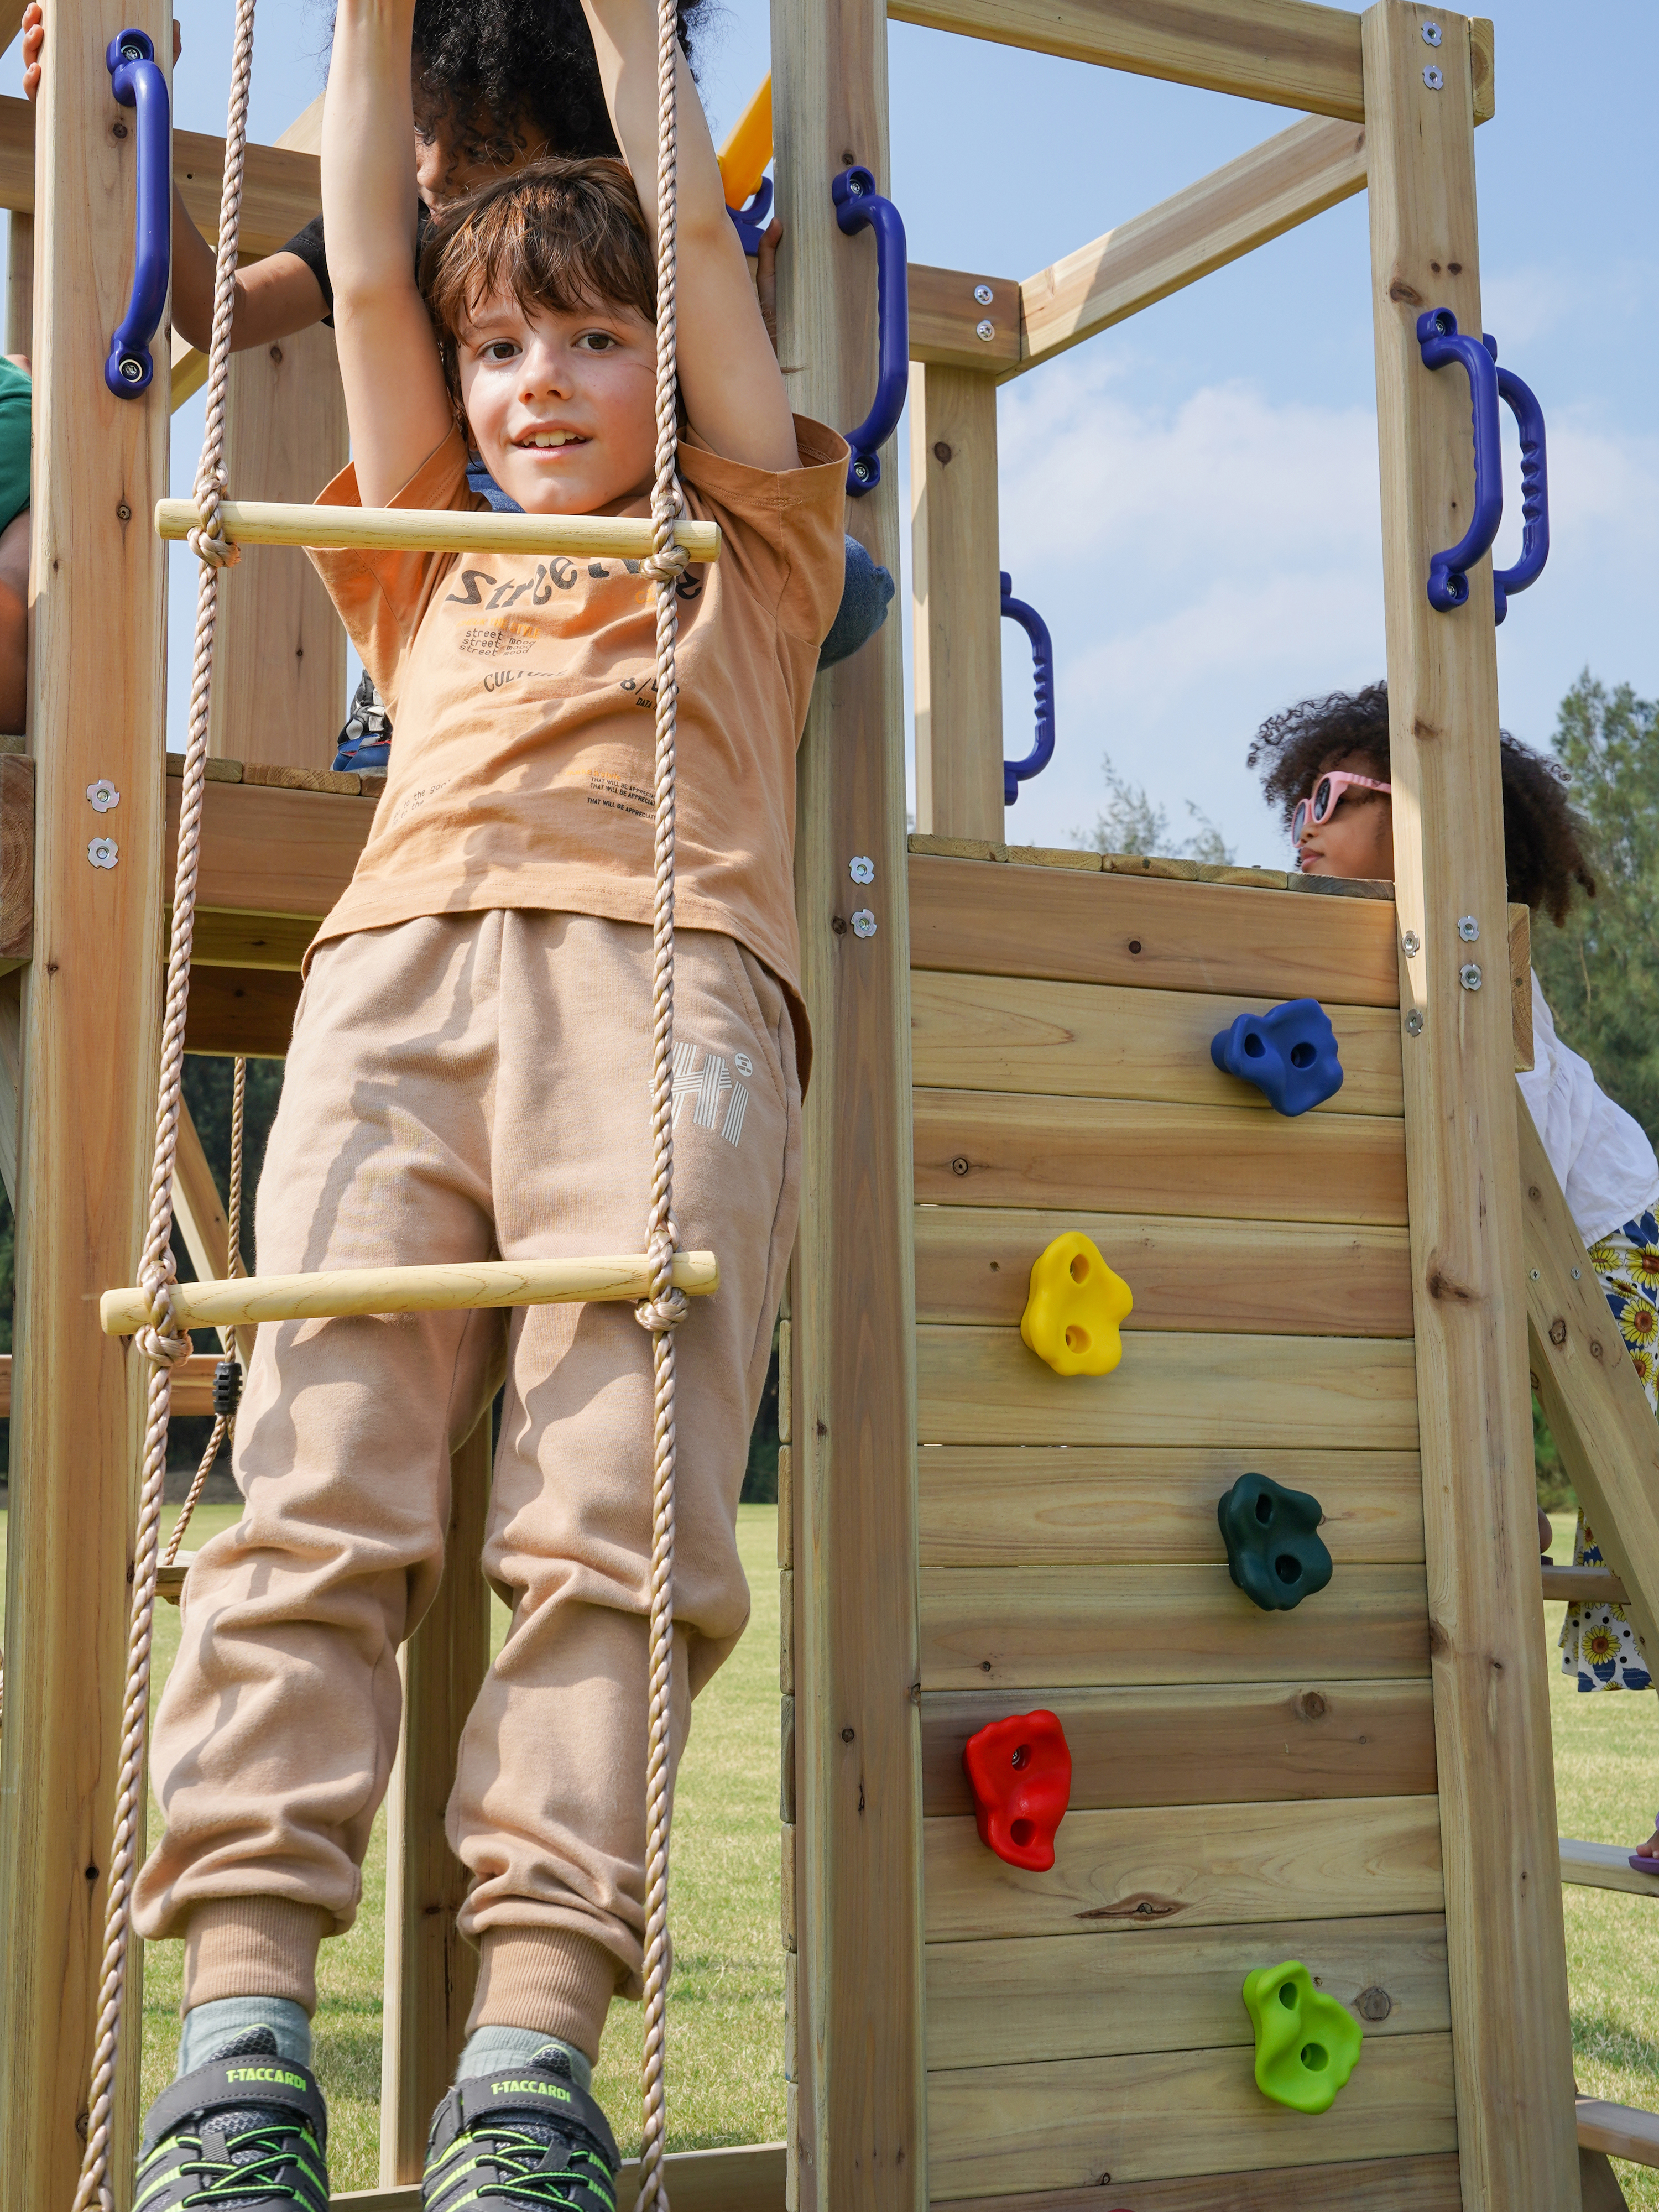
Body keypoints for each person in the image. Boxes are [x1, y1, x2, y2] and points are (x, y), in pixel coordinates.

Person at [127, 0, 847, 2203]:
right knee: (311, 1486)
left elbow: (696, 246)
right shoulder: (421, 551)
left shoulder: (745, 540)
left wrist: (627, 23)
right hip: (398, 990)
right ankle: (239, 2051)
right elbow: (366, 264)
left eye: (596, 344)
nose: (541, 382)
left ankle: (530, 2067)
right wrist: (366, 16)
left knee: (615, 1522)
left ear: (674, 371)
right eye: (504, 349)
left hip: (665, 988)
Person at [19, 0, 891, 741]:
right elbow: (224, 312)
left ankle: (658, 694)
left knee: (844, 578)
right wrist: (142, 130)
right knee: (457, 574)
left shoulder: (620, 246)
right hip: (458, 530)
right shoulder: (407, 234)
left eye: (482, 144)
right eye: (420, 131)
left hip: (625, 523)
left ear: (574, 142)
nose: (435, 172)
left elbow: (699, 275)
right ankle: (421, 723)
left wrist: (749, 322)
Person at [1250, 681, 1659, 1859]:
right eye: (1299, 802)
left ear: (1426, 814)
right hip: (1527, 1259)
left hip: (1616, 1248)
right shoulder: (1378, 967)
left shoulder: (1481, 958)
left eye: (1334, 796)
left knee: (1640, 1511)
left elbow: (1511, 1166)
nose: (1307, 824)